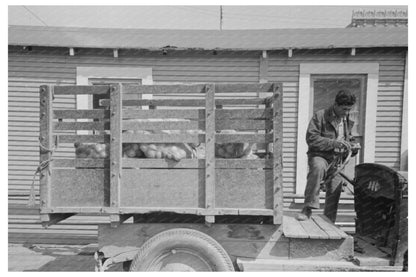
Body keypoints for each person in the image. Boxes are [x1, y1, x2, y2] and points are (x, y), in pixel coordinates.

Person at [296, 90, 360, 223]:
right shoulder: (320, 116)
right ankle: (308, 208)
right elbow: (312, 139)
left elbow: (349, 139)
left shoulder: (347, 119)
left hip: (338, 159)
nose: (346, 112)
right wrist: (333, 143)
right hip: (320, 155)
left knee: (335, 187)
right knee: (318, 168)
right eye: (344, 109)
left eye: (349, 109)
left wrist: (353, 147)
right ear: (336, 104)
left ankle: (329, 220)